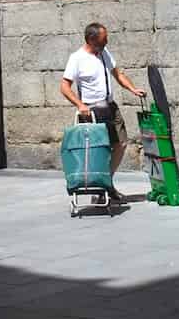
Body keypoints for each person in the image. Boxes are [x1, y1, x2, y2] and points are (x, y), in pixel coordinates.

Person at [59, 21, 149, 198]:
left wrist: (132, 88)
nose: (107, 42)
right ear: (91, 40)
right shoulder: (77, 58)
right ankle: (101, 187)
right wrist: (80, 105)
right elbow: (64, 87)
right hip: (91, 111)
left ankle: (106, 182)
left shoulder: (103, 53)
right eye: (103, 39)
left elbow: (117, 73)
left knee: (121, 143)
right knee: (98, 150)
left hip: (110, 106)